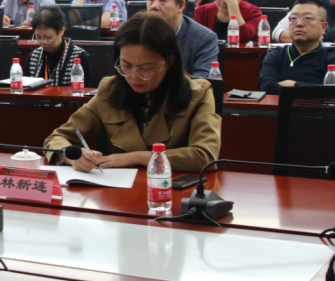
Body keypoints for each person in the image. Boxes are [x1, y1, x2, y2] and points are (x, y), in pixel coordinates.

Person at [44, 13, 220, 172]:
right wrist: (72, 156)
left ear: (169, 62)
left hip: (171, 190)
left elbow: (205, 155)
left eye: (146, 69)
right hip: (120, 191)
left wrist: (135, 157)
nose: (134, 77)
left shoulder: (198, 93)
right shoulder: (110, 90)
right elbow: (57, 138)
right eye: (126, 66)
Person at [259, 0, 335, 95]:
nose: (299, 24)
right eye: (294, 18)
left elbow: (333, 92)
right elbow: (266, 87)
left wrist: (294, 84)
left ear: (323, 27)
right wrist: (311, 89)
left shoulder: (332, 59)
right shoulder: (276, 55)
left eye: (308, 18)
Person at [147, 0, 218, 79]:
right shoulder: (137, 33)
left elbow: (202, 81)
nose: (154, 6)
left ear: (180, 5)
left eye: (162, 0)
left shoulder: (204, 38)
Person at [26, 6, 90, 85]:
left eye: (48, 37)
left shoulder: (79, 57)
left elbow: (86, 90)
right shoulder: (33, 57)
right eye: (38, 37)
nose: (43, 42)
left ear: (61, 30)